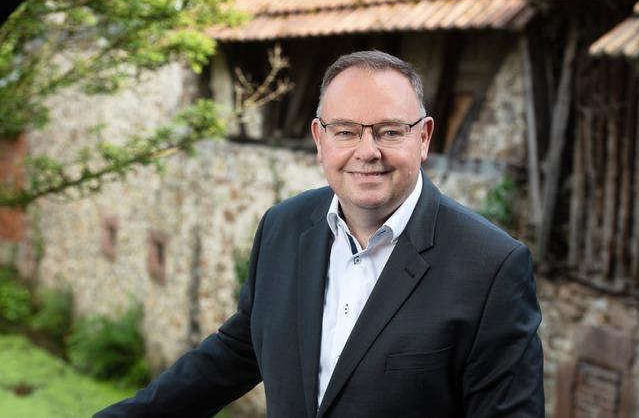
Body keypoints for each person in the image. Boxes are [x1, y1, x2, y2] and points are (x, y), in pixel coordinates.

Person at [96, 50, 544, 417]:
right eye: (345, 131)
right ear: (320, 139)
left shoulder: (491, 267)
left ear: (423, 137)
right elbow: (239, 351)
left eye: (390, 131)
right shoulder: (284, 227)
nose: (367, 152)